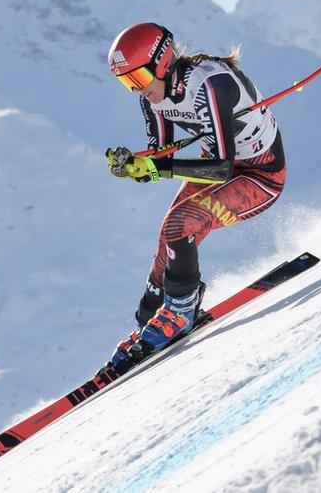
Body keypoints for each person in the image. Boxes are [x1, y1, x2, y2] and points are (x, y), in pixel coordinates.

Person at [103, 22, 286, 368]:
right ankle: (148, 322)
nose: (137, 91)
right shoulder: (153, 97)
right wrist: (134, 165)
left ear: (161, 62)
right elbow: (161, 156)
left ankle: (181, 310)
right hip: (218, 167)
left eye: (138, 80)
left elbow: (221, 169)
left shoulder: (209, 84)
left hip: (260, 175)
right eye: (127, 83)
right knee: (167, 236)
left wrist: (157, 169)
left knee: (180, 223)